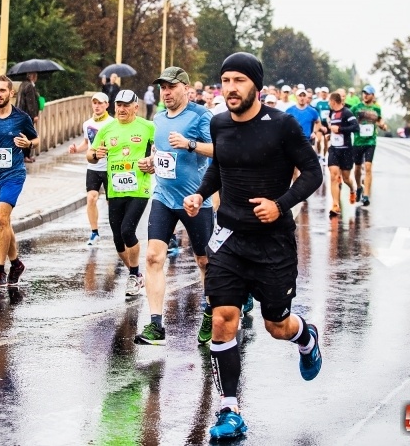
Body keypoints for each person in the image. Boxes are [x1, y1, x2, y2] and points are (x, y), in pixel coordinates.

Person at [182, 52, 323, 440]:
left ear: (256, 87)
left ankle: (306, 338)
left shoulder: (282, 126)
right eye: (225, 80)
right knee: (223, 317)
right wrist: (200, 194)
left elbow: (314, 172)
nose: (230, 88)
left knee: (276, 325)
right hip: (229, 238)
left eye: (239, 81)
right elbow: (219, 167)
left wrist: (280, 206)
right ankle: (230, 409)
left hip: (273, 244)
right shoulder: (219, 124)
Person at [133, 67, 214, 346]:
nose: (165, 92)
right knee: (154, 257)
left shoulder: (201, 115)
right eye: (162, 88)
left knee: (205, 261)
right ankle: (156, 326)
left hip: (195, 200)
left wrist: (191, 144)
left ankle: (210, 312)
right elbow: (162, 156)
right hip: (164, 197)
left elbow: (219, 149)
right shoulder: (157, 118)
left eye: (170, 87)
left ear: (186, 89)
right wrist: (150, 164)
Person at [87, 89, 154, 297]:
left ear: (136, 107)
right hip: (115, 188)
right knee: (117, 238)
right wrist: (96, 155)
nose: (122, 109)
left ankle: (133, 275)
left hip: (139, 188)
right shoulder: (106, 129)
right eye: (119, 105)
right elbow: (90, 155)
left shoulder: (148, 127)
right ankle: (136, 273)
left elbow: (161, 151)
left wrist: (152, 163)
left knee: (127, 230)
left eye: (126, 105)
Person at [0, 75, 39, 287]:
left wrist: (27, 143)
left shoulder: (21, 117)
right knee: (3, 221)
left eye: (2, 91)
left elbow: (36, 139)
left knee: (0, 220)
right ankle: (16, 263)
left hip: (13, 175)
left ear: (11, 93)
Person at [69, 92, 114, 245]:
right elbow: (86, 144)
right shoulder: (87, 124)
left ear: (107, 105)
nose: (97, 106)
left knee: (111, 202)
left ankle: (117, 230)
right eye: (95, 103)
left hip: (110, 167)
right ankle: (94, 232)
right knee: (91, 198)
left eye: (100, 103)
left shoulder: (113, 123)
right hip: (93, 167)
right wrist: (76, 149)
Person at [351, 85, 388, 206]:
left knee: (368, 167)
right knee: (357, 168)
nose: (365, 95)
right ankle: (358, 187)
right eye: (364, 93)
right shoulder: (356, 107)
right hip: (358, 141)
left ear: (373, 95)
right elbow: (348, 116)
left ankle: (366, 195)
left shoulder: (376, 109)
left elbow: (380, 120)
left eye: (368, 93)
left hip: (370, 142)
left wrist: (383, 125)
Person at [326, 91, 359, 217]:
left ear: (334, 101)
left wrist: (340, 130)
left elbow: (356, 127)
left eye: (330, 101)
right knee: (334, 176)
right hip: (334, 149)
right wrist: (330, 133)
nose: (329, 104)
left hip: (346, 150)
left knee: (345, 178)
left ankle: (352, 188)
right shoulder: (332, 113)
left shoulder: (347, 112)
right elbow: (330, 127)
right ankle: (335, 205)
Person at [16, 72, 41, 162]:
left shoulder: (23, 84)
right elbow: (30, 102)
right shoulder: (29, 86)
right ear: (32, 76)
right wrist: (34, 115)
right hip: (27, 115)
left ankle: (24, 156)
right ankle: (26, 156)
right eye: (35, 75)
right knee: (28, 135)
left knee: (23, 134)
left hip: (19, 113)